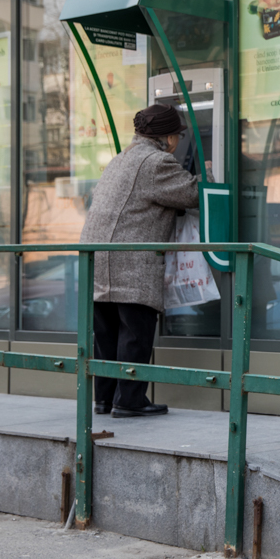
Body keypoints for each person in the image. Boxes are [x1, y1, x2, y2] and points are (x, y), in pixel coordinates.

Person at [80, 103, 201, 418]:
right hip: (129, 262)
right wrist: (208, 173)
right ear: (170, 138)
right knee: (136, 331)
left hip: (98, 259)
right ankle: (130, 400)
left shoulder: (120, 159)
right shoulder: (157, 161)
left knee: (106, 335)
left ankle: (104, 399)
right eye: (178, 135)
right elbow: (192, 194)